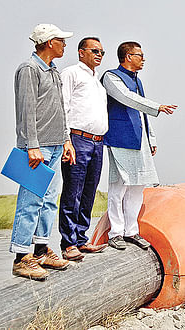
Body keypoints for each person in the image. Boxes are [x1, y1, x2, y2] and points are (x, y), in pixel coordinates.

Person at [10, 23, 76, 281]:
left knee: (49, 199)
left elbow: (60, 108)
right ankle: (20, 257)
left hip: (56, 145)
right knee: (30, 201)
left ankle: (40, 250)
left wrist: (66, 140)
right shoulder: (29, 69)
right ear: (49, 42)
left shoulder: (53, 71)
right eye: (61, 40)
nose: (65, 44)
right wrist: (32, 145)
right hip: (37, 148)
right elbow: (27, 110)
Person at [101, 41, 177, 250]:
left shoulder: (138, 80)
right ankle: (116, 232)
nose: (143, 59)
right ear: (128, 57)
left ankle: (131, 231)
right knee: (119, 185)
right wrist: (157, 106)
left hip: (139, 138)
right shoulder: (111, 77)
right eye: (140, 55)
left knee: (137, 186)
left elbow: (142, 113)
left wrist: (151, 138)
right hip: (121, 137)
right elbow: (127, 99)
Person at [58, 37, 109, 261]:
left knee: (89, 192)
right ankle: (68, 243)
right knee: (73, 191)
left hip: (98, 141)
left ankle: (81, 238)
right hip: (77, 138)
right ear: (81, 52)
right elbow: (63, 106)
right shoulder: (71, 73)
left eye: (102, 52)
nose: (99, 55)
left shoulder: (97, 81)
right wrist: (65, 140)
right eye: (94, 50)